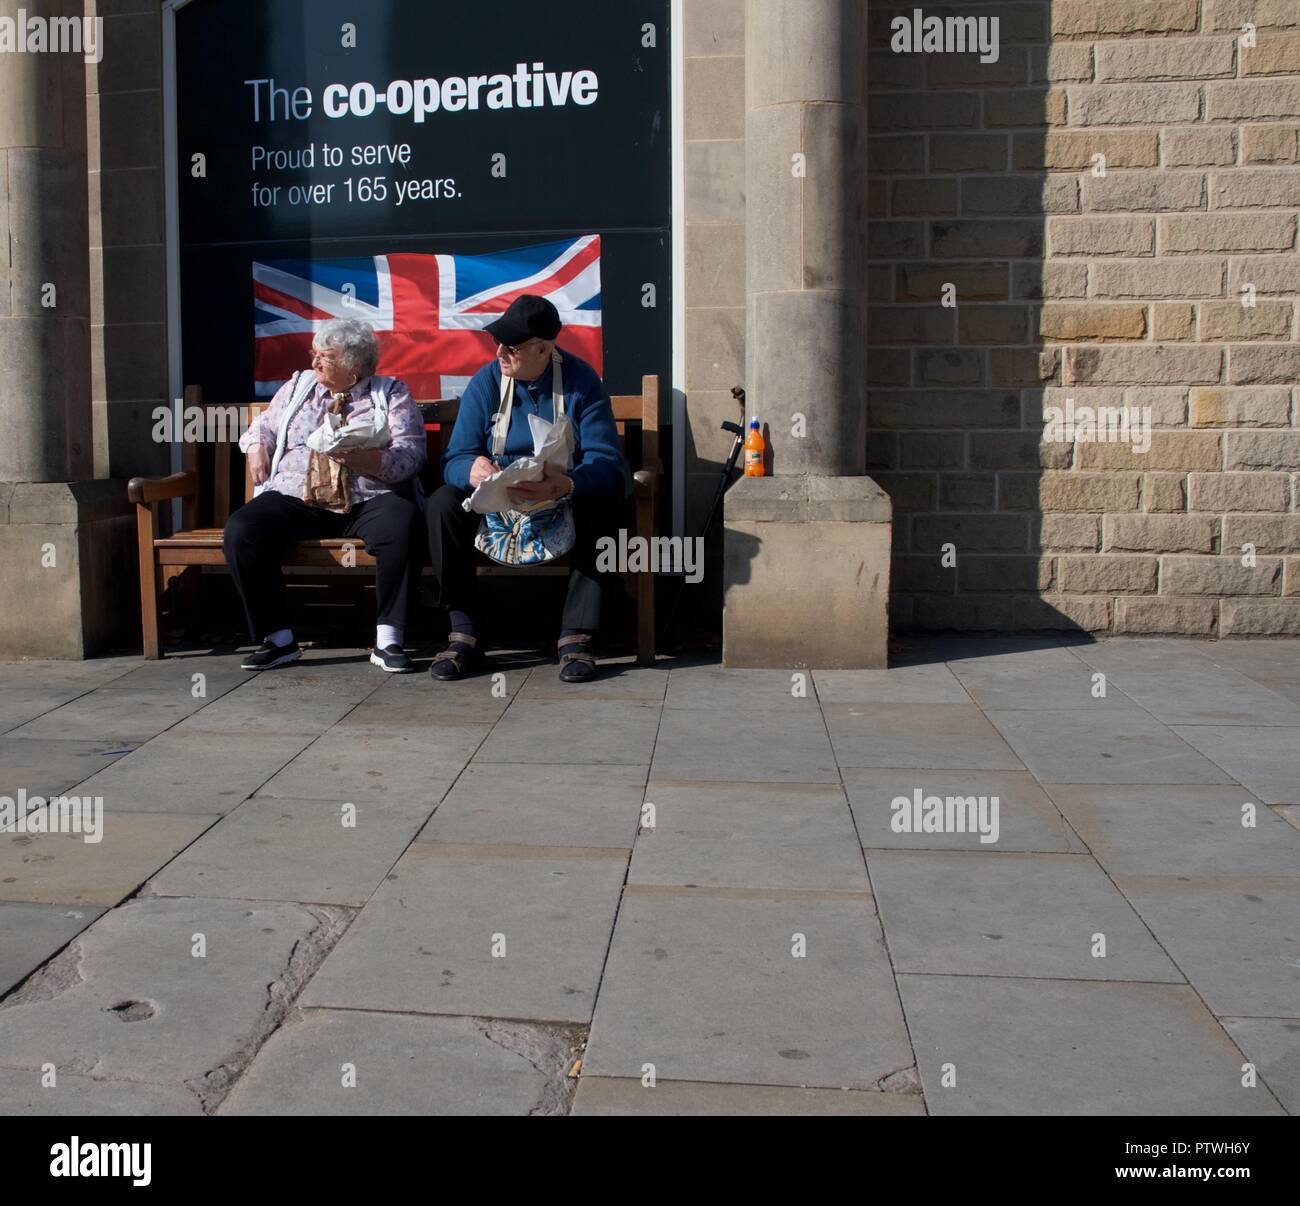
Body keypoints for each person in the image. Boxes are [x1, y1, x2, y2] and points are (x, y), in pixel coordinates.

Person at [425, 294, 627, 683]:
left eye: (512, 347)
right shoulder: (487, 381)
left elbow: (606, 461)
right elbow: (455, 456)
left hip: (559, 494)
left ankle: (576, 636)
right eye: (498, 342)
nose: (500, 352)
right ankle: (463, 630)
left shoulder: (582, 383)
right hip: (499, 497)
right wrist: (471, 470)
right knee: (442, 503)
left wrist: (567, 484)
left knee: (600, 503)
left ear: (544, 348)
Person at [225, 318, 426, 672]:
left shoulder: (391, 392)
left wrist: (372, 459)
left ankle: (388, 638)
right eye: (315, 354)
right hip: (298, 495)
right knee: (243, 530)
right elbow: (265, 425)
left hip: (368, 494)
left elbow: (411, 453)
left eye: (327, 357)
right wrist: (256, 446)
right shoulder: (299, 386)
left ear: (356, 366)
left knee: (402, 523)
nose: (315, 363)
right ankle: (278, 638)